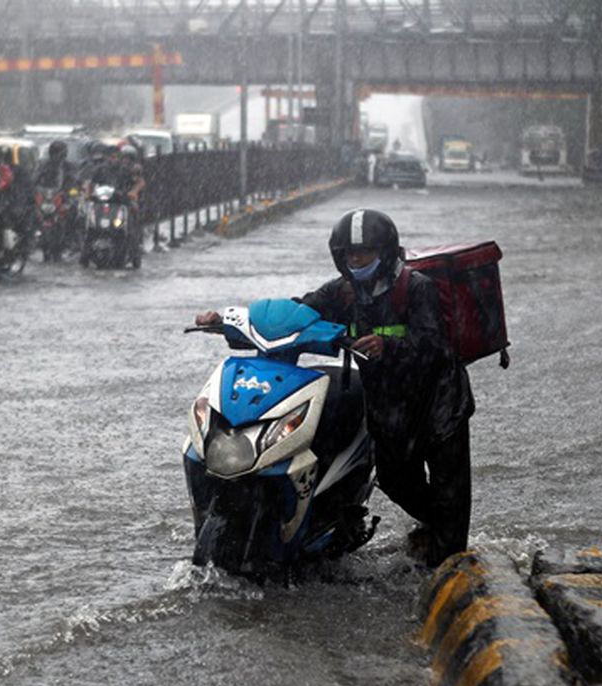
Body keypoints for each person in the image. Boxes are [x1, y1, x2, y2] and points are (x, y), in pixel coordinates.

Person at [193, 209, 475, 567]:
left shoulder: (417, 288)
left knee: (451, 491)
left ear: (385, 252)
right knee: (393, 477)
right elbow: (294, 316)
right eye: (349, 254)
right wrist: (229, 322)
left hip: (439, 402)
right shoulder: (343, 292)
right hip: (390, 401)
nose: (356, 260)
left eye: (365, 253)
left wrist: (389, 346)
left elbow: (436, 344)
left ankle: (450, 561)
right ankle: (434, 527)